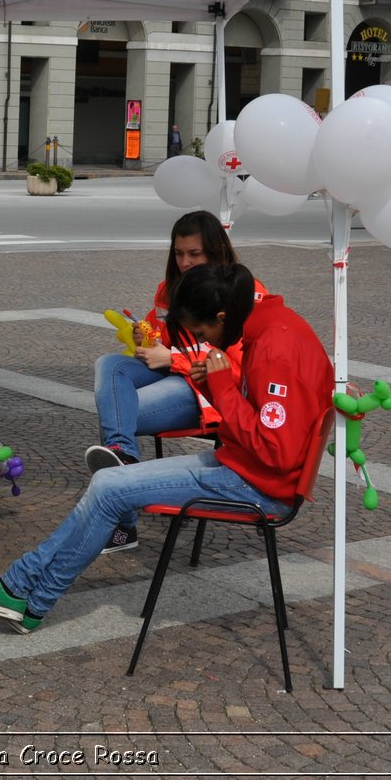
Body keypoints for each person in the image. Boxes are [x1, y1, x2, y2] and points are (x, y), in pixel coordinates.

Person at [0, 263, 331, 634]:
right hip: (246, 469)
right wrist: (215, 385)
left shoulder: (276, 346)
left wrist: (223, 387)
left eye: (203, 333)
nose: (205, 342)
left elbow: (276, 451)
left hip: (257, 483)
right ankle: (22, 590)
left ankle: (28, 599)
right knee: (110, 484)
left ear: (222, 317)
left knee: (110, 489)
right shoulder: (277, 326)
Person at [87, 210, 269, 552]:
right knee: (110, 366)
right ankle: (123, 457)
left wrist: (174, 359)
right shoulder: (167, 290)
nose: (185, 262)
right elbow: (165, 337)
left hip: (210, 391)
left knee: (115, 414)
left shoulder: (244, 291)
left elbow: (240, 369)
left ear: (216, 251)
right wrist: (147, 339)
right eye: (178, 253)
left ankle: (123, 522)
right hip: (176, 374)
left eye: (194, 254)